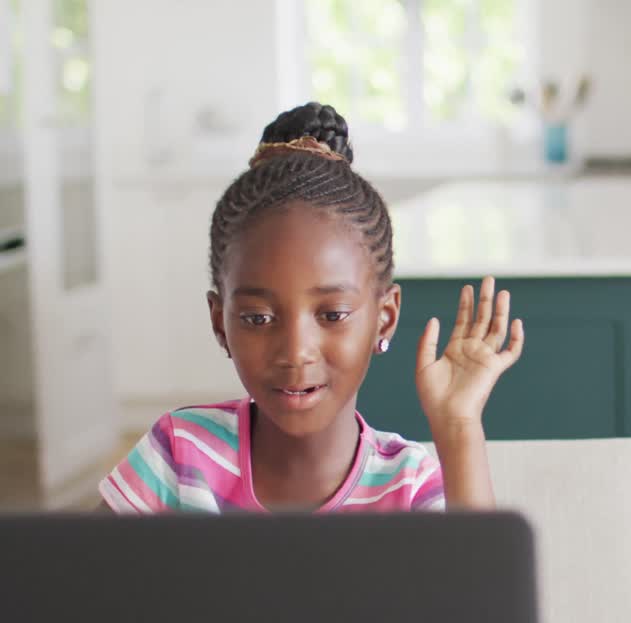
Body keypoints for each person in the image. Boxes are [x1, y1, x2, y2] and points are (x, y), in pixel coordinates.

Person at [98, 102, 523, 514]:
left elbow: (477, 585)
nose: (295, 350)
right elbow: (70, 578)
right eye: (258, 318)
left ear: (384, 318)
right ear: (220, 323)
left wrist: (458, 427)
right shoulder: (180, 454)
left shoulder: (408, 485)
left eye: (332, 315)